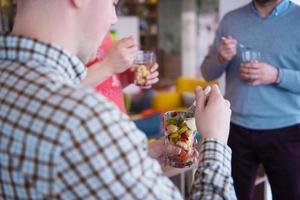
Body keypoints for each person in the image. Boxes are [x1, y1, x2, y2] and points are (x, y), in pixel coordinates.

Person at [0, 0, 235, 199]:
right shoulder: (85, 120)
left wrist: (144, 151)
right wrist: (214, 141)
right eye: (113, 3)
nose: (113, 19)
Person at [201, 0, 300, 199]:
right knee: (231, 196)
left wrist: (276, 75)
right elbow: (207, 72)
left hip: (286, 131)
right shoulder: (231, 20)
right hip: (234, 129)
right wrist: (221, 57)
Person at [82, 34, 159, 112]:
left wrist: (131, 76)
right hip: (93, 118)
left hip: (118, 118)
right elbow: (71, 87)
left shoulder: (107, 36)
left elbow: (111, 84)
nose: (115, 21)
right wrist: (109, 65)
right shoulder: (75, 37)